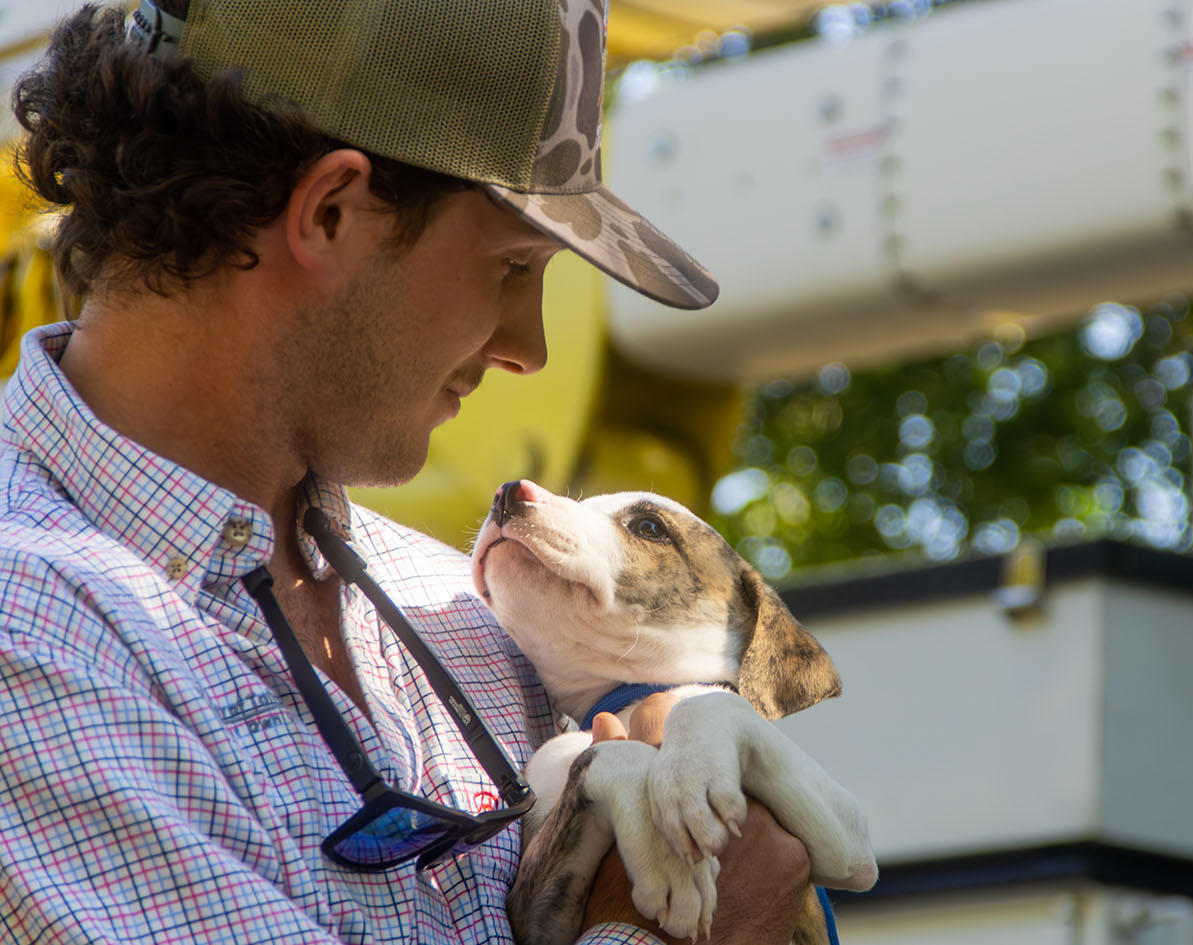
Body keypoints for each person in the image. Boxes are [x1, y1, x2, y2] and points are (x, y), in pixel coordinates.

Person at [0, 1, 811, 943]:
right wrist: (691, 925)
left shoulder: (464, 604)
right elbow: (724, 894)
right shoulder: (30, 631)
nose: (528, 348)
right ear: (330, 213)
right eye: (513, 266)